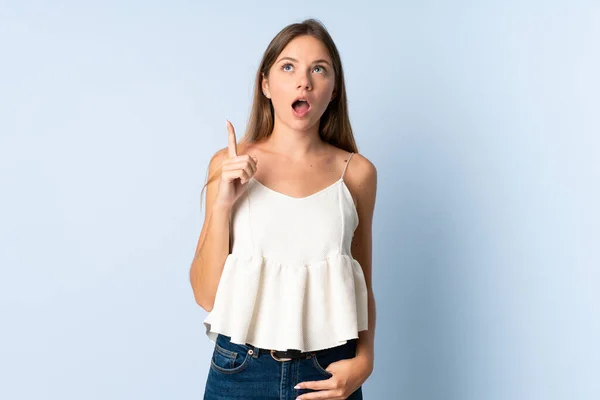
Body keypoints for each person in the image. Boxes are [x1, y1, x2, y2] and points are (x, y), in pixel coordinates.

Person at [190, 18, 377, 400]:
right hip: (241, 369)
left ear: (333, 89)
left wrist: (365, 361)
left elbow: (363, 284)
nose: (303, 81)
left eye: (318, 69)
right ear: (266, 84)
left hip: (328, 372)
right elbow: (207, 297)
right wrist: (224, 202)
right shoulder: (228, 164)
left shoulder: (356, 173)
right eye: (288, 67)